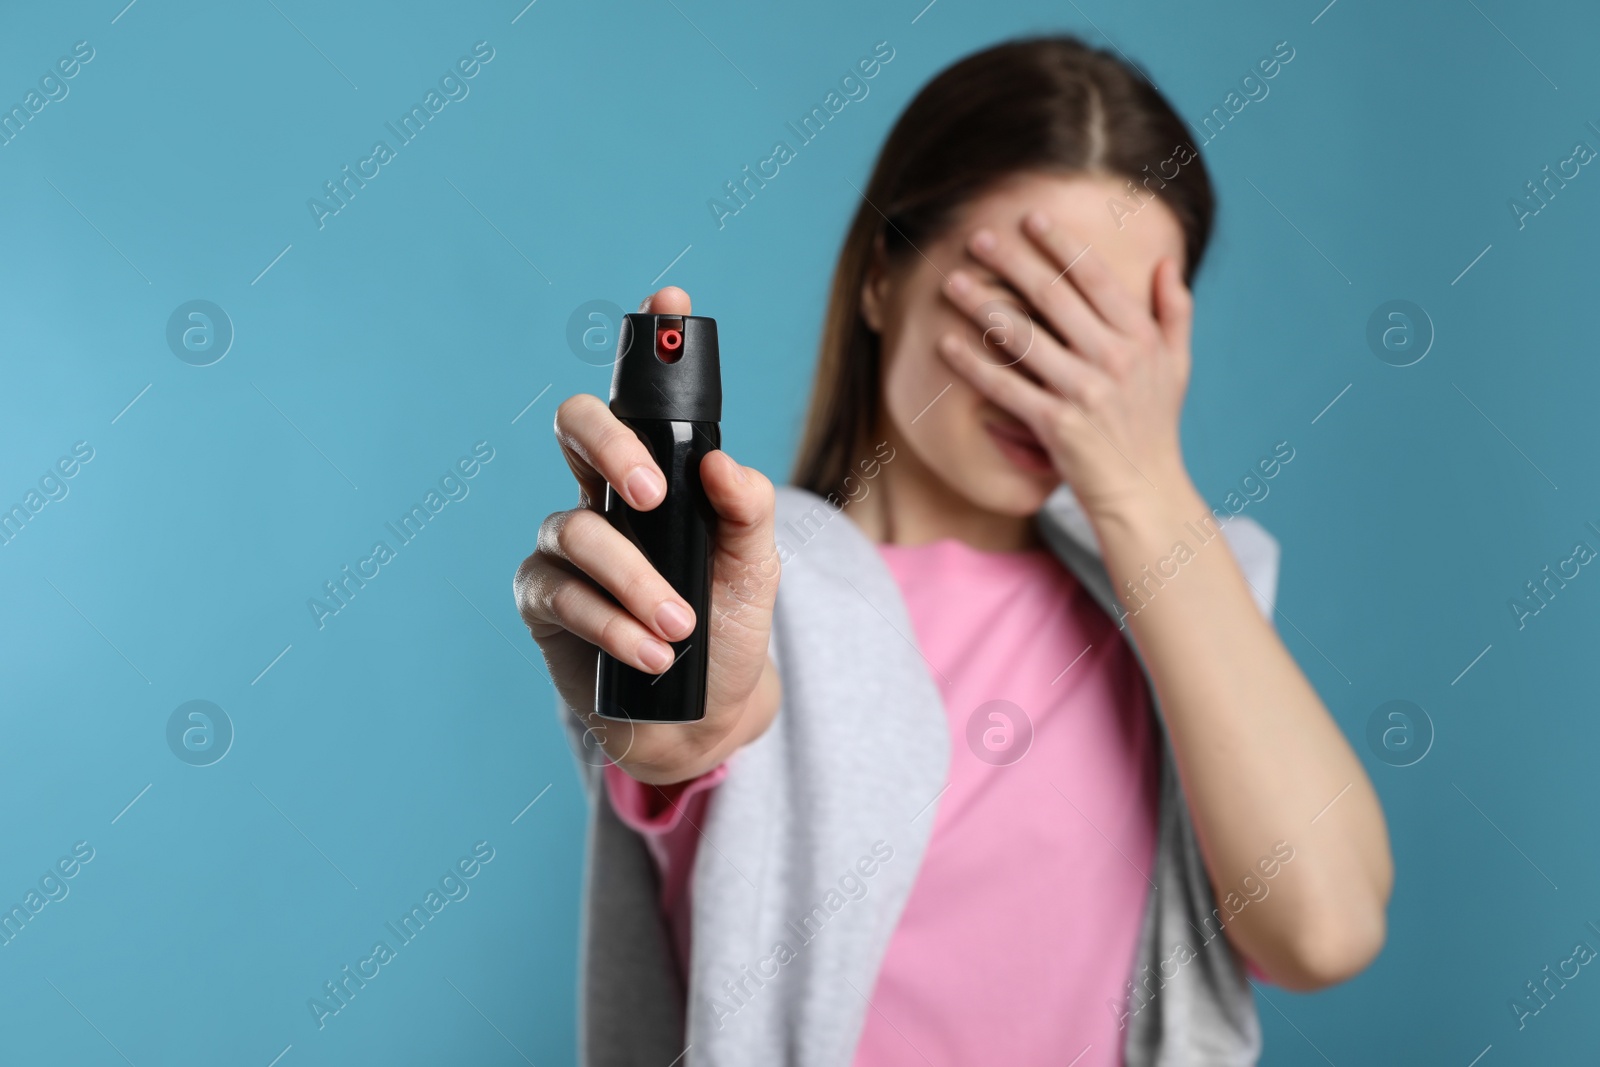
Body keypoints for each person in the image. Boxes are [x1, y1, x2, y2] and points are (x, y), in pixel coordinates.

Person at [515, 35, 1392, 1067]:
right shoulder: (760, 584)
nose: (1055, 378)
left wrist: (1142, 484)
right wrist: (680, 721)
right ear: (884, 279)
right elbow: (715, 720)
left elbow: (1322, 930)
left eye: (1106, 331)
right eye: (1021, 307)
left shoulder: (1193, 604)